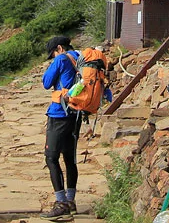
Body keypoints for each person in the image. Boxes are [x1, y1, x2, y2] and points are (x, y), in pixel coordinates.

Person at [39, 35, 111, 220]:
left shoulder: (61, 59)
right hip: (77, 114)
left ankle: (61, 203)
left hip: (59, 114)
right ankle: (70, 201)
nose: (53, 57)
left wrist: (54, 65)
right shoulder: (84, 59)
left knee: (51, 157)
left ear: (59, 48)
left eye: (53, 53)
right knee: (70, 158)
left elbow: (46, 82)